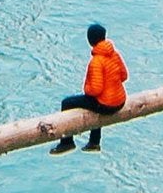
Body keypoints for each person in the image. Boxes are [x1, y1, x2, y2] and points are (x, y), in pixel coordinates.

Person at [54, 21, 127, 152]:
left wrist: (86, 89)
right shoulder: (114, 54)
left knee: (67, 103)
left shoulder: (96, 61)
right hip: (120, 101)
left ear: (90, 40)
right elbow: (124, 76)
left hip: (107, 106)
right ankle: (94, 142)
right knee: (96, 101)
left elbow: (95, 90)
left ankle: (67, 142)